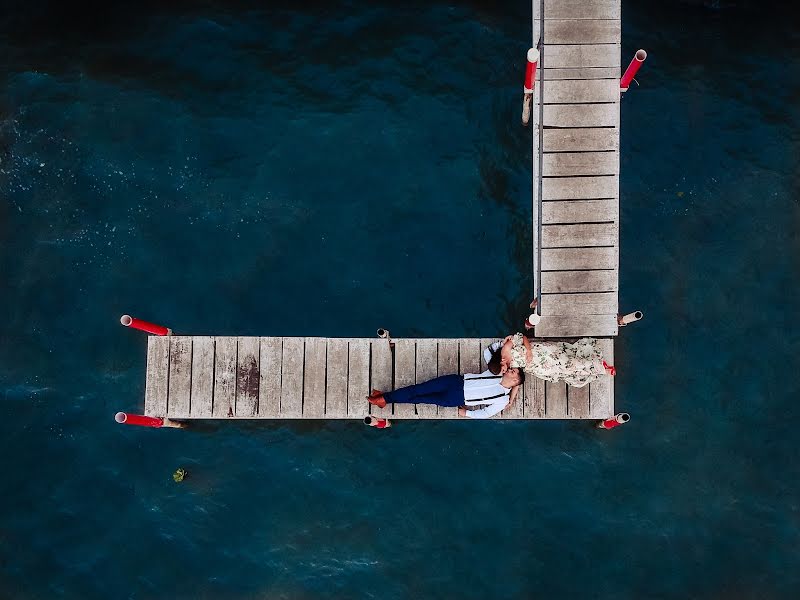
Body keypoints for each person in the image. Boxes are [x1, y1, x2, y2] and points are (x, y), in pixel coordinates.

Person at [367, 348, 524, 419]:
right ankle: (384, 398)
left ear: (515, 380)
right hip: (455, 382)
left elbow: (486, 413)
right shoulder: (496, 372)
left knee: (419, 398)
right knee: (418, 389)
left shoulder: (503, 399)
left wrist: (466, 413)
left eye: (514, 371)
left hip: (455, 400)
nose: (511, 369)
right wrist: (504, 357)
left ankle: (384, 399)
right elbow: (488, 351)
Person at [498, 333, 614, 387]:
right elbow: (517, 380)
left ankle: (600, 367)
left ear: (500, 362)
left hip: (540, 352)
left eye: (501, 370)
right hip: (539, 367)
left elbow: (521, 336)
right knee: (568, 370)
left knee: (569, 362)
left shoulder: (506, 350)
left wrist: (528, 350)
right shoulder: (510, 368)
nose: (504, 372)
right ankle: (598, 367)